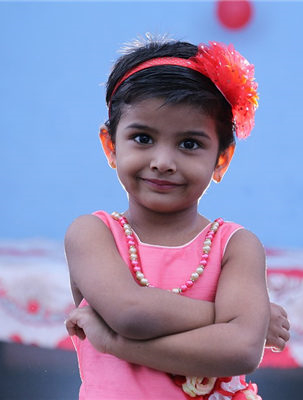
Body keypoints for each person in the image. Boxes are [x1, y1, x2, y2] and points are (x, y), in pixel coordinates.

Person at [64, 34, 290, 400]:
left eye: (189, 144)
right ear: (110, 145)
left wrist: (115, 344)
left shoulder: (235, 246)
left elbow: (243, 350)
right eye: (143, 138)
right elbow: (130, 312)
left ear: (222, 160)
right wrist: (241, 318)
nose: (163, 162)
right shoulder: (93, 234)